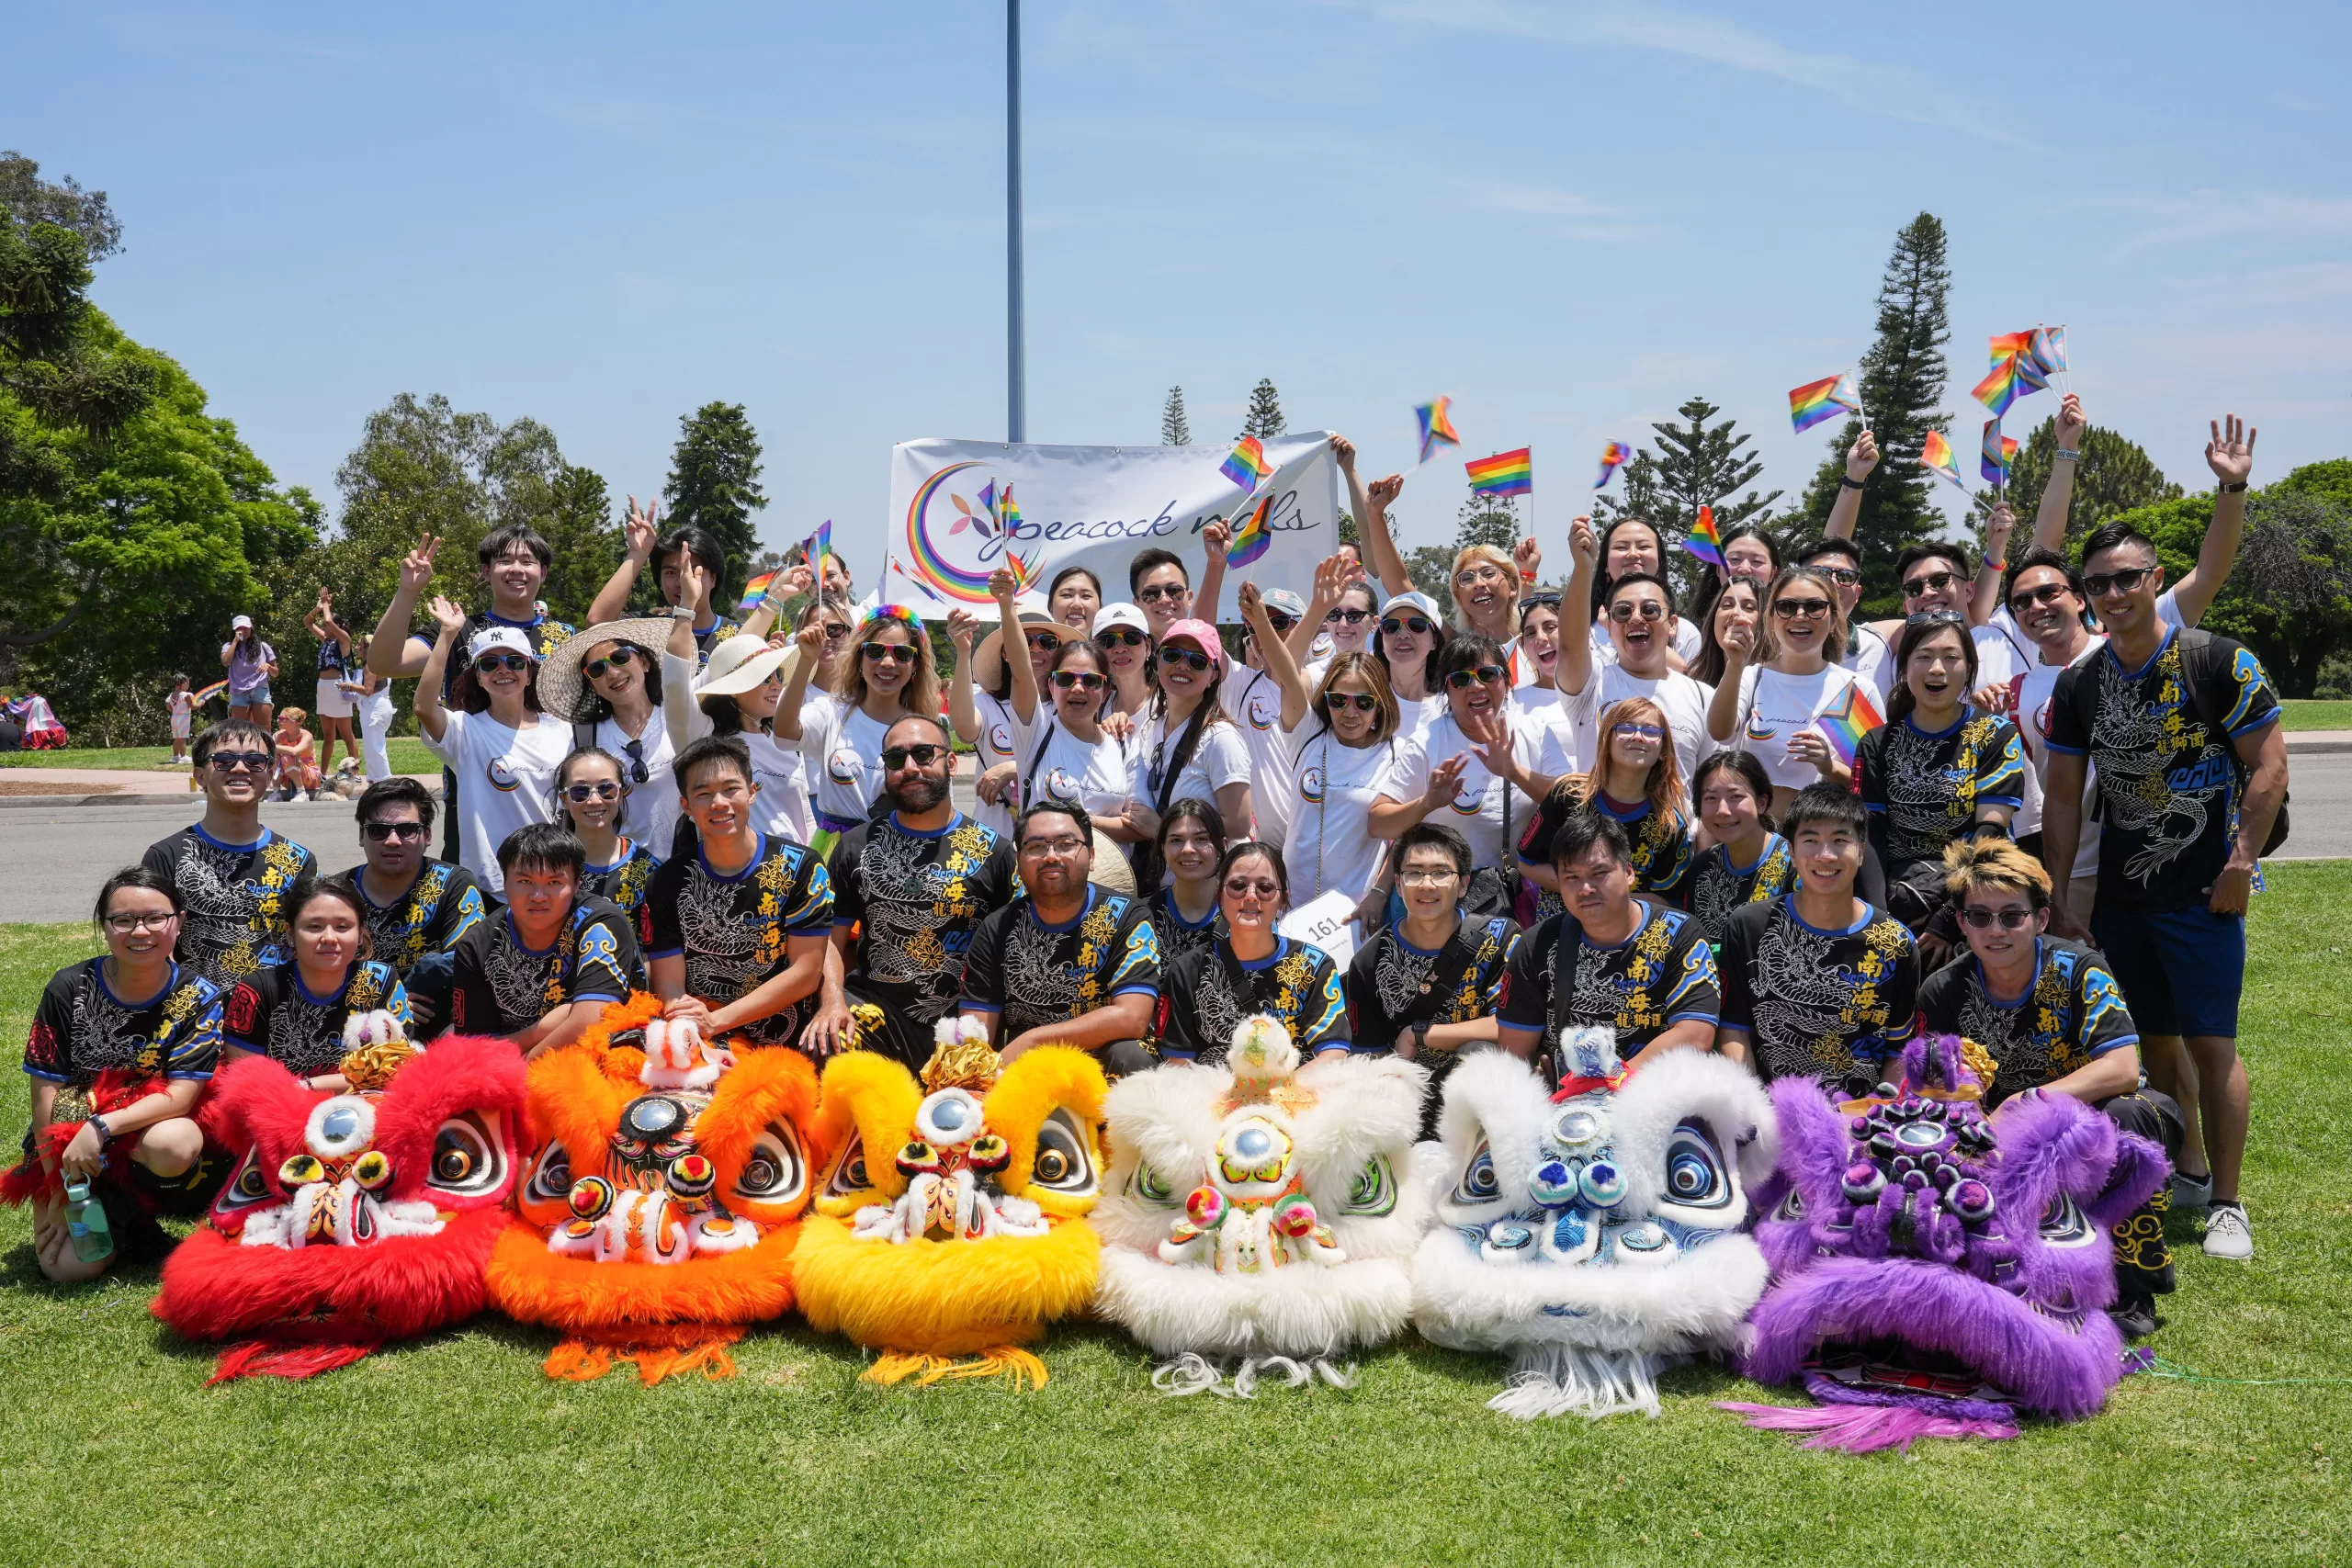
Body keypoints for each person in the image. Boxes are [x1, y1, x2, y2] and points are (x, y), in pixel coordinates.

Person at [2042, 513, 2285, 1263]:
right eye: (2098, 584)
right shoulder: (2080, 681)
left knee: (2214, 1043)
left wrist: (2240, 863)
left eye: (2126, 578)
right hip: (2125, 891)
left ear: (2154, 579)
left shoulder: (2217, 661)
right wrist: (2060, 895)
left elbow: (2270, 767)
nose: (2113, 594)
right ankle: (2190, 1169)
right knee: (2154, 1040)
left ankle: (2228, 1203)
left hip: (2206, 888)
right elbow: (2061, 795)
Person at [1919, 836, 2181, 1337]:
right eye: (1979, 917)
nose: (1996, 930)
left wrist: (2031, 1098)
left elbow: (2124, 1067)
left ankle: (2133, 1286)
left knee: (2133, 1115)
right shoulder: (1943, 990)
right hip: (2005, 1140)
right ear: (1961, 925)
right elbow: (1940, 1090)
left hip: (2097, 1120)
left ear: (2040, 920)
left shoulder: (2081, 969)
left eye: (2012, 916)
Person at [13, 868, 225, 1281]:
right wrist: (55, 1185)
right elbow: (45, 1093)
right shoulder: (68, 987)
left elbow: (182, 1095)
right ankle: (119, 1217)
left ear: (178, 922)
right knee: (68, 1270)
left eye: (154, 918)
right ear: (105, 927)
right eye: (123, 920)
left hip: (144, 1131)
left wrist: (100, 1127)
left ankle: (133, 1205)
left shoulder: (200, 995)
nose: (140, 931)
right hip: (68, 1135)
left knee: (175, 1143)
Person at [807, 714, 1021, 1066]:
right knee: (825, 1045)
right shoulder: (855, 846)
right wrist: (832, 1002)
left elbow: (1009, 955)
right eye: (895, 759)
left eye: (923, 754)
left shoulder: (994, 852)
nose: (909, 767)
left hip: (963, 1024)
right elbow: (828, 938)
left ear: (951, 762)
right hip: (874, 1013)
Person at [367, 527, 578, 863]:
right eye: (504, 561)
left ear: (544, 572)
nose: (517, 569)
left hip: (552, 793)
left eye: (528, 561)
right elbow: (383, 662)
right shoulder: (459, 628)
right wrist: (407, 592)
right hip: (475, 791)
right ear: (485, 571)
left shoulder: (567, 638)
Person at [1715, 784, 1918, 1094]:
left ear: (1861, 852)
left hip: (1859, 1114)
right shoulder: (1748, 927)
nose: (1825, 855)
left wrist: (1872, 1118)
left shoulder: (1896, 942)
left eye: (1840, 840)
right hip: (1770, 1110)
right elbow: (1734, 1031)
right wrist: (1755, 1112)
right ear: (1792, 853)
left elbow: (1898, 1052)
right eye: (1811, 840)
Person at [1855, 612, 2026, 967]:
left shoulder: (1996, 735)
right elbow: (1871, 834)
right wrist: (1881, 921)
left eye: (1951, 657)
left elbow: (1990, 832)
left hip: (1977, 897)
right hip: (1898, 896)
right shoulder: (1877, 742)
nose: (1937, 669)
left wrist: (1950, 917)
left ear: (1969, 667)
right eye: (1923, 656)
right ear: (1904, 668)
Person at [1496, 813, 1717, 1082]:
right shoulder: (1537, 943)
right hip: (1566, 1103)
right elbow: (1514, 1054)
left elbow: (1695, 1036)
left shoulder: (1680, 933)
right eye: (1572, 877)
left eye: (1599, 873)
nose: (1586, 888)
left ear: (1628, 872)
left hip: (1656, 1092)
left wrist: (1612, 1085)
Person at [646, 737, 835, 1048]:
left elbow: (806, 972)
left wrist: (718, 1021)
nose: (719, 802)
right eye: (703, 793)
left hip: (787, 1039)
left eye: (731, 789)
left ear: (752, 792)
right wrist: (685, 1023)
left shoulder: (801, 866)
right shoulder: (666, 881)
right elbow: (669, 982)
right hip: (703, 1035)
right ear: (686, 806)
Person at [958, 802, 1159, 1074]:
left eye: (1066, 844)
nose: (1051, 856)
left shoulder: (1128, 917)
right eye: (1037, 847)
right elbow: (976, 1030)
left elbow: (1132, 1017)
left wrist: (1033, 1040)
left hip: (1104, 1073)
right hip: (1028, 1075)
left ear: (1090, 855)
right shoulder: (997, 928)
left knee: (1131, 1055)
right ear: (1018, 862)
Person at [1345, 822, 1520, 1134]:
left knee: (1477, 1054)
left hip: (1482, 1101)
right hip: (1408, 1103)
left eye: (1441, 873)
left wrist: (1419, 1033)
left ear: (1464, 884)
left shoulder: (1500, 938)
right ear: (1398, 885)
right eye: (1414, 873)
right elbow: (1370, 1053)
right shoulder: (1369, 961)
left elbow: (1509, 1023)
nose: (1426, 884)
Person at [1371, 635, 1551, 915]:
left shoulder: (1535, 730)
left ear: (1506, 680)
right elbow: (1378, 823)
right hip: (1446, 904)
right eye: (1461, 679)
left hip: (1520, 895)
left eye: (1488, 674)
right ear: (1446, 689)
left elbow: (1571, 801)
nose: (1476, 686)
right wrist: (1426, 803)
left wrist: (1514, 772)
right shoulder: (1426, 743)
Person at [971, 568, 1144, 858]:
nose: (1078, 689)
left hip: (1110, 890)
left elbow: (1139, 826)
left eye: (1090, 681)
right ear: (1052, 685)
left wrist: (1081, 821)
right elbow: (1022, 671)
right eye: (1066, 679)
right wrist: (1005, 604)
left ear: (1105, 689)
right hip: (1043, 883)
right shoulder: (1035, 732)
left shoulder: (1125, 744)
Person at [141, 719, 318, 986]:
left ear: (270, 773)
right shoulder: (166, 856)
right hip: (196, 1016)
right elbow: (152, 945)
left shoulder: (298, 860)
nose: (239, 768)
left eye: (254, 761)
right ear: (200, 775)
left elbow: (308, 945)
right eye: (223, 760)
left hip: (270, 1009)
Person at [414, 604, 568, 894]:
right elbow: (423, 707)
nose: (503, 669)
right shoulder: (465, 732)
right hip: (490, 887)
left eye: (515, 661)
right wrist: (447, 635)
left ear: (530, 673)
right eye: (489, 664)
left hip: (552, 880)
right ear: (479, 678)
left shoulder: (562, 728)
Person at [447, 823, 639, 1054]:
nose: (538, 897)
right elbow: (474, 1048)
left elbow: (590, 1022)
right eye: (525, 881)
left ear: (577, 884)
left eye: (554, 883)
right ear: (504, 881)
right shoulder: (476, 946)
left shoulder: (602, 922)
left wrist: (525, 1068)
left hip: (605, 1057)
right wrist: (545, 1027)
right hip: (508, 1068)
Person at [1157, 840, 1350, 1065]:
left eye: (1265, 888)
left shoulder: (1315, 966)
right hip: (1213, 1095)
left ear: (1283, 899)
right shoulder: (1187, 971)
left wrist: (1279, 1093)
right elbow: (1178, 1063)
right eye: (1237, 886)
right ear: (1220, 894)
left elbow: (1332, 1054)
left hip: (1296, 1093)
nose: (1250, 896)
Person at [1557, 514, 1716, 785]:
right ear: (1607, 625)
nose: (1636, 619)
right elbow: (1570, 648)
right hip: (1599, 827)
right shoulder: (1591, 684)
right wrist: (1583, 566)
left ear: (1673, 625)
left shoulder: (1703, 697)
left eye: (1650, 610)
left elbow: (1710, 782)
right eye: (1623, 611)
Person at [1705, 564, 1871, 818]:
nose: (1800, 616)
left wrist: (1829, 767)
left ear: (1834, 616)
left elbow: (1872, 785)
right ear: (1771, 617)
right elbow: (1721, 733)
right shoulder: (1751, 677)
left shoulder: (1857, 690)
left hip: (1820, 841)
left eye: (1814, 606)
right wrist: (1736, 665)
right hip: (1754, 841)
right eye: (1787, 607)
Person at [779, 602, 942, 850]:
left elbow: (939, 802)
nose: (888, 662)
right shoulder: (831, 711)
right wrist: (806, 661)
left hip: (906, 847)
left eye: (902, 654)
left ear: (915, 665)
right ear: (859, 658)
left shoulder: (925, 727)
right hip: (838, 848)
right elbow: (784, 730)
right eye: (875, 651)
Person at [330, 776, 485, 1036]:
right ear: (361, 835)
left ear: (427, 835)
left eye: (406, 830)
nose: (392, 840)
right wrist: (389, 1001)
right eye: (379, 830)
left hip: (429, 1023)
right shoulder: (335, 893)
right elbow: (311, 968)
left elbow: (466, 961)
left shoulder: (454, 884)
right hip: (351, 1021)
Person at [223, 879, 411, 1085]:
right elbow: (245, 1080)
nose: (329, 937)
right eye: (314, 926)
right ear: (290, 933)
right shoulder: (256, 989)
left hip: (364, 1106)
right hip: (279, 1107)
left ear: (360, 933)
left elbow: (398, 1067)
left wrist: (312, 1087)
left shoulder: (381, 980)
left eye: (342, 926)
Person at [1520, 696, 1694, 909]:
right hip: (1563, 925)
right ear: (1607, 741)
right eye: (1626, 729)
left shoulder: (1669, 824)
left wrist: (1609, 895)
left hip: (1630, 935)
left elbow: (1669, 900)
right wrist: (1585, 888)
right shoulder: (1567, 795)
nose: (1638, 737)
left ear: (1663, 752)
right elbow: (1527, 863)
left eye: (1650, 731)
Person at [666, 602, 818, 846]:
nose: (777, 684)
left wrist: (813, 861)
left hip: (795, 872)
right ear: (734, 688)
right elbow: (674, 688)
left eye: (779, 674)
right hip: (739, 874)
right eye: (766, 677)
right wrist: (685, 609)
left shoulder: (783, 737)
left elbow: (804, 816)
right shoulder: (707, 738)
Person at [537, 615, 680, 852]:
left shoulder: (678, 717)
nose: (612, 673)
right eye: (597, 669)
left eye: (620, 657)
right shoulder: (585, 738)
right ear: (592, 685)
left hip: (683, 865)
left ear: (644, 662)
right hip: (616, 874)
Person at [1131, 616, 1253, 874]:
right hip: (1162, 886)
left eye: (1197, 661)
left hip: (1206, 891)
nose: (1182, 665)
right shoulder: (1150, 726)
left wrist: (1163, 827)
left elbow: (1239, 825)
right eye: (1172, 654)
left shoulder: (1220, 738)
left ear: (1213, 676)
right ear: (1157, 658)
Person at [951, 590, 1069, 837]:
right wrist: (963, 652)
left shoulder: (1071, 707)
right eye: (1024, 641)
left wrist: (1014, 768)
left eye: (1047, 642)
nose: (1034, 650)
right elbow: (964, 730)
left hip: (1051, 845)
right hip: (990, 843)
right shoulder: (987, 703)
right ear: (1007, 652)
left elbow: (1075, 764)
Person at [585, 503, 740, 664]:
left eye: (692, 571)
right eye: (671, 573)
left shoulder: (739, 637)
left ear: (713, 578)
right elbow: (597, 623)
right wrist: (638, 554)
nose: (682, 581)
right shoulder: (645, 630)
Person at [554, 748, 661, 952]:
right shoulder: (549, 868)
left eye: (606, 789)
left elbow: (654, 959)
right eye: (580, 792)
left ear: (621, 794)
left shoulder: (649, 872)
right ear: (564, 800)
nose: (594, 800)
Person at [1685, 750, 1791, 944]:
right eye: (1710, 798)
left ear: (1761, 803)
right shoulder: (1702, 865)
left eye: (1735, 796)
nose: (1723, 810)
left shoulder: (1794, 863)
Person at [1584, 517, 1703, 666]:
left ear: (1660, 561)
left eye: (1643, 547)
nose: (1633, 554)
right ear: (1605, 564)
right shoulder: (1586, 633)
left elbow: (1695, 682)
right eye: (1621, 547)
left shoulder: (1684, 634)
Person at [1790, 531, 1889, 701]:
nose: (1834, 582)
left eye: (1846, 576)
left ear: (1858, 593)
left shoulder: (1879, 647)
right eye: (1820, 573)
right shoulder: (1775, 649)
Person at [1144, 798, 1227, 971]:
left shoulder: (1246, 913)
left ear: (1222, 846)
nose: (1188, 849)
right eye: (1176, 840)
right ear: (1163, 849)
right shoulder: (1143, 916)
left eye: (1201, 838)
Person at [1373, 589, 1447, 738]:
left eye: (1417, 625)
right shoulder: (1365, 700)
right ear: (1381, 641)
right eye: (1392, 626)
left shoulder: (1451, 706)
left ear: (1435, 641)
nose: (1403, 635)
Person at [304, 587, 360, 777]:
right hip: (323, 687)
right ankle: (323, 773)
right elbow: (307, 622)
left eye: (327, 626)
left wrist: (327, 605)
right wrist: (318, 607)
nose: (324, 627)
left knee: (346, 734)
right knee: (328, 735)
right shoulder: (326, 640)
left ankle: (354, 771)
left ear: (336, 627)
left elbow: (328, 620)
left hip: (338, 687)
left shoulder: (344, 640)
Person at [1686, 575, 1763, 691]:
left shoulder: (1771, 681)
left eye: (1749, 607)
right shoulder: (1690, 681)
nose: (1735, 612)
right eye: (1727, 605)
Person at [1092, 603, 1157, 723]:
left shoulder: (1167, 704)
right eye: (1107, 640)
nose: (1120, 648)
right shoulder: (1095, 709)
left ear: (1148, 647)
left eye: (1131, 637)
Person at [345, 636, 396, 782]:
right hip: (379, 706)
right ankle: (374, 781)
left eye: (359, 645)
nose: (356, 648)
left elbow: (368, 690)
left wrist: (349, 686)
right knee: (372, 748)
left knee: (375, 748)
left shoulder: (370, 665)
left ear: (367, 648)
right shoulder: (381, 663)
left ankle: (384, 783)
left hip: (374, 708)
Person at [221, 614, 277, 731]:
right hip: (238, 692)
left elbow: (276, 672)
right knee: (240, 731)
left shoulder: (263, 646)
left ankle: (265, 750)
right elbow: (226, 662)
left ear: (251, 628)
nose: (243, 631)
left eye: (245, 628)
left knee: (264, 731)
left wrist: (268, 666)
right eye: (239, 629)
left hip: (260, 690)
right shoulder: (228, 646)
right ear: (234, 630)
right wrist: (235, 641)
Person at [1129, 547, 1194, 638]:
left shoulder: (1213, 651)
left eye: (1174, 590)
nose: (1164, 600)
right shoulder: (1123, 651)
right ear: (1137, 605)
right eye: (1151, 594)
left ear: (1190, 598)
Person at [270, 706, 321, 801]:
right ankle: (276, 793)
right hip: (289, 777)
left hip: (310, 778)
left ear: (292, 722)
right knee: (274, 757)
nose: (277, 720)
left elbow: (295, 751)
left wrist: (273, 747)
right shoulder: (279, 735)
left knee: (287, 757)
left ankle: (302, 793)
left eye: (281, 719)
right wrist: (274, 749)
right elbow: (270, 751)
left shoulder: (306, 735)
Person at [1046, 565, 1103, 632]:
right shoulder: (1032, 642)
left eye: (1086, 596)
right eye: (1067, 595)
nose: (1077, 604)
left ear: (1100, 608)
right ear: (1051, 607)